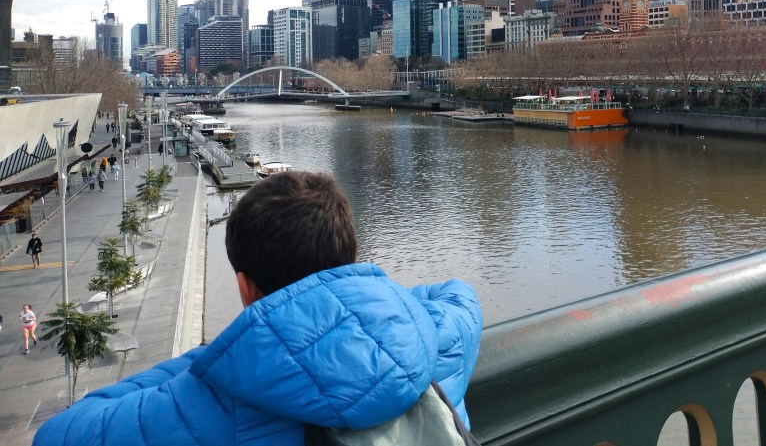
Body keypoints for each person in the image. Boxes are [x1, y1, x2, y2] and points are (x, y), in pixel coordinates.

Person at [35, 170, 484, 445]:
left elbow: (57, 434)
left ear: (245, 287)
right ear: (349, 257)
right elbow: (458, 292)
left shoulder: (216, 398)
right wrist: (371, 306)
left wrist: (214, 356)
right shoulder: (440, 341)